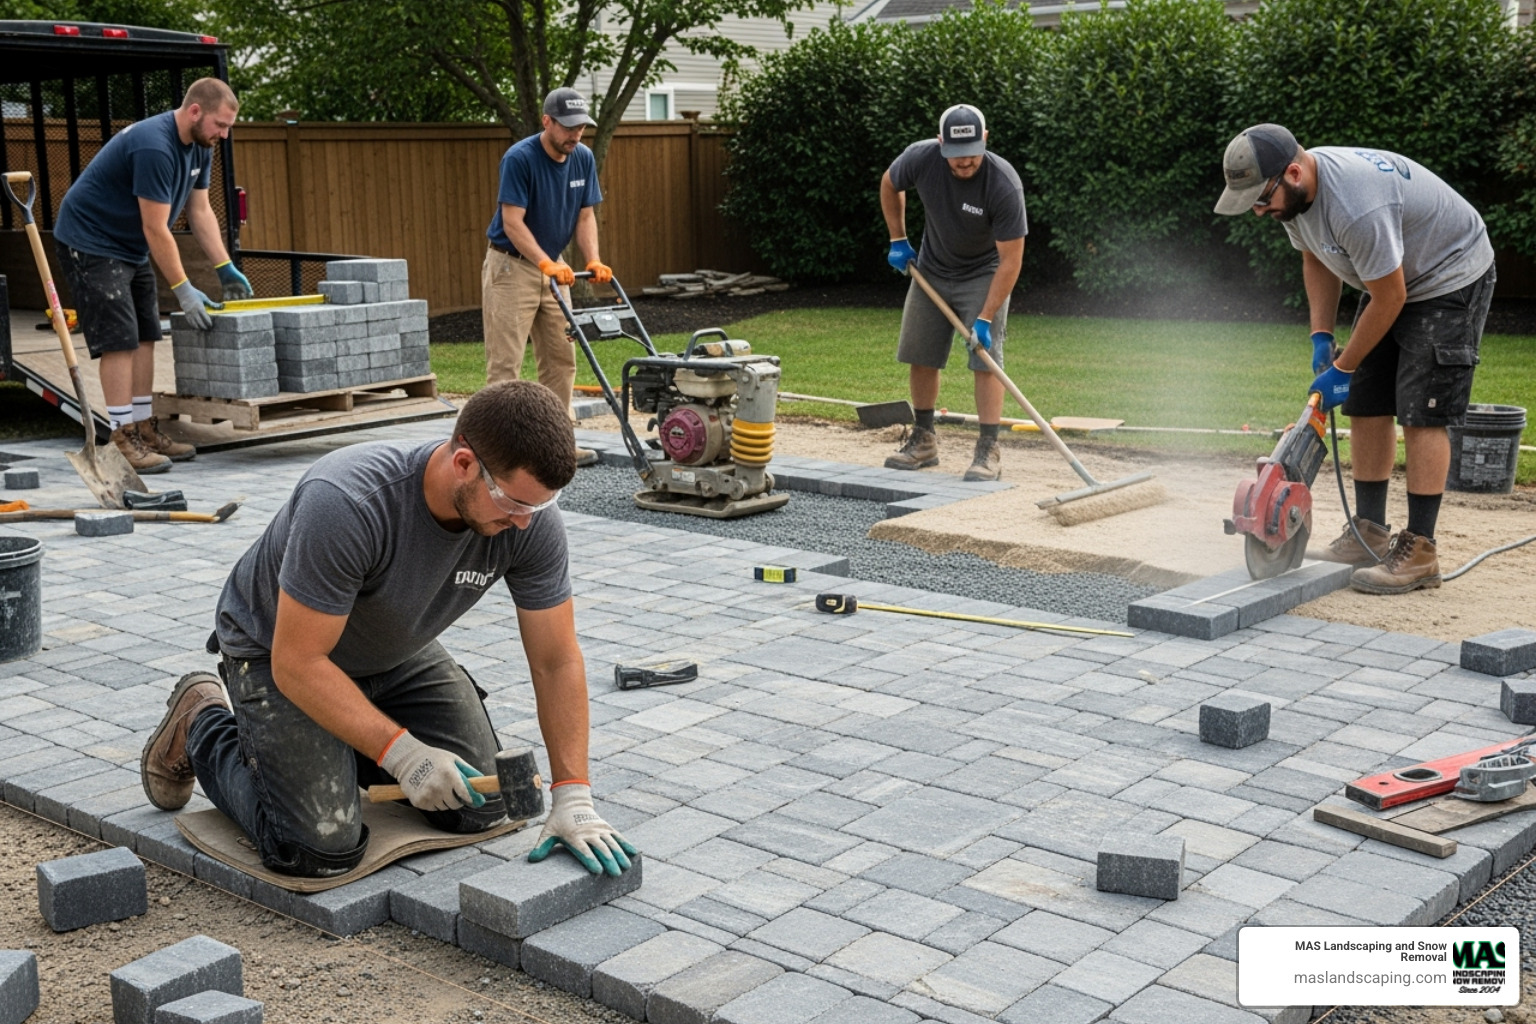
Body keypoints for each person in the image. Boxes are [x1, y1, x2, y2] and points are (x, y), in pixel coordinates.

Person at [139, 380, 637, 878]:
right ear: (463, 464)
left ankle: (337, 745)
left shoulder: (528, 521)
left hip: (393, 649)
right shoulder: (348, 501)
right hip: (278, 652)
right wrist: (401, 754)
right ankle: (201, 722)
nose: (525, 522)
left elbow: (556, 660)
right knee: (320, 848)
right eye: (514, 504)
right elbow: (297, 662)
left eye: (537, 507)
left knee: (479, 806)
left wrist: (573, 795)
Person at [1215, 124, 1496, 595]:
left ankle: (1421, 550)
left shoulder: (1356, 205)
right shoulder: (1296, 196)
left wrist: (1343, 368)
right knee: (1363, 401)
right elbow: (1316, 260)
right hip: (1393, 279)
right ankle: (1369, 529)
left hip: (1449, 276)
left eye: (1262, 199)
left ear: (1293, 172)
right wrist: (1321, 338)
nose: (1260, 211)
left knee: (1421, 411)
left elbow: (1390, 297)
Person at [52, 77, 253, 475]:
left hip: (129, 245)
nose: (224, 135)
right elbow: (156, 228)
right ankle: (121, 436)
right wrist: (183, 289)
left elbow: (200, 212)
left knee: (147, 333)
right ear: (195, 111)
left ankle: (144, 427)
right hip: (91, 239)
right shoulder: (154, 146)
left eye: (229, 127)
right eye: (221, 125)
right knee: (120, 339)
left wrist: (223, 264)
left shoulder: (200, 146)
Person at [880, 104, 1027, 482]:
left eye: (972, 154)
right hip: (931, 269)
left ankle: (988, 449)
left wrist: (985, 317)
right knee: (921, 354)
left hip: (984, 273)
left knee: (985, 358)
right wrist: (899, 239)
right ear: (941, 142)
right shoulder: (922, 157)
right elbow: (890, 182)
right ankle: (924, 440)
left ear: (985, 140)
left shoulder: (1003, 183)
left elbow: (1010, 260)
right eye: (956, 156)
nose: (964, 164)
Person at [482, 87, 611, 468]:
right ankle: (498, 453)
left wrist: (594, 259)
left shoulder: (583, 158)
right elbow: (512, 221)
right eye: (568, 128)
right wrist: (544, 263)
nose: (575, 136)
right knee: (506, 364)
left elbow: (585, 215)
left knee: (561, 357)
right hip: (511, 265)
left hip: (554, 268)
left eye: (581, 128)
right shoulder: (519, 158)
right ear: (547, 121)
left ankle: (556, 447)